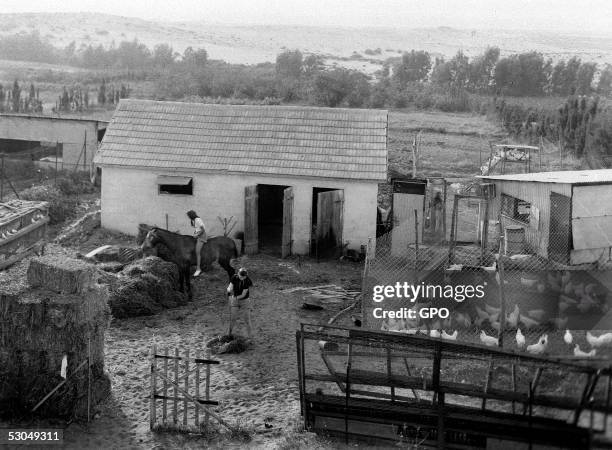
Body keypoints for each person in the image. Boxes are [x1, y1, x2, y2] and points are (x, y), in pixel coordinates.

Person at [227, 267, 254, 341]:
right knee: (232, 318)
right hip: (235, 300)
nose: (242, 278)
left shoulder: (247, 281)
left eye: (243, 277)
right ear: (238, 274)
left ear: (246, 276)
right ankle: (228, 335)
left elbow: (243, 295)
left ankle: (250, 338)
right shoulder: (234, 277)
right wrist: (229, 293)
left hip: (244, 301)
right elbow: (230, 288)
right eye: (240, 276)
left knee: (247, 319)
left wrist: (234, 298)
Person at [187, 210, 207, 277]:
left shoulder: (198, 220)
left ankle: (198, 269)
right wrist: (195, 233)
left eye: (188, 216)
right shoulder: (195, 220)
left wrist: (197, 235)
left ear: (191, 215)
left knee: (197, 252)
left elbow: (203, 230)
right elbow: (197, 228)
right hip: (198, 235)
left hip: (202, 236)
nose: (188, 217)